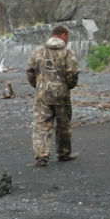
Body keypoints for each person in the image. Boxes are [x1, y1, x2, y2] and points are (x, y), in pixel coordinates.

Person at [25, 23, 80, 167]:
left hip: (42, 95)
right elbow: (72, 74)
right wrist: (68, 87)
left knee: (41, 126)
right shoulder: (68, 53)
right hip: (61, 94)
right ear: (63, 35)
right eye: (67, 37)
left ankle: (41, 157)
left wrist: (37, 85)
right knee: (63, 125)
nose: (67, 40)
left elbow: (30, 71)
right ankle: (63, 153)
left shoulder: (38, 51)